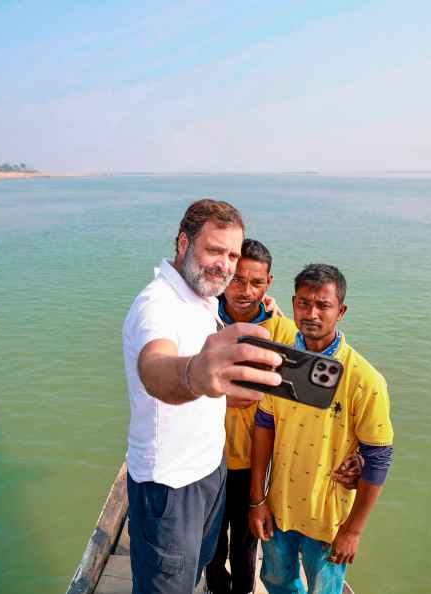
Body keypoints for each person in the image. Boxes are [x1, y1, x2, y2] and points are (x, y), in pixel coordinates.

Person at [122, 199, 285, 594]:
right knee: (168, 586)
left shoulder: (203, 297)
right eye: (214, 250)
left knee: (195, 570)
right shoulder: (156, 305)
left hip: (211, 469)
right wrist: (195, 374)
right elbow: (155, 367)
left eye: (232, 254)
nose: (225, 265)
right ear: (183, 242)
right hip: (171, 486)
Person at [248, 263, 394, 594]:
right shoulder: (281, 363)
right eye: (303, 303)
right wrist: (257, 500)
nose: (311, 313)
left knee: (324, 589)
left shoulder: (363, 380)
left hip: (330, 520)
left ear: (340, 311)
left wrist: (353, 530)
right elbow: (264, 426)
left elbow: (379, 455)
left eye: (323, 305)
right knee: (275, 580)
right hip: (281, 506)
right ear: (294, 303)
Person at [205, 239, 297, 594]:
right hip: (205, 458)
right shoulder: (202, 317)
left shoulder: (285, 333)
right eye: (237, 279)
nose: (245, 291)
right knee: (209, 543)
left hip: (254, 463)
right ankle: (215, 587)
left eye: (256, 282)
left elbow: (302, 399)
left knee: (245, 545)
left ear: (269, 283)